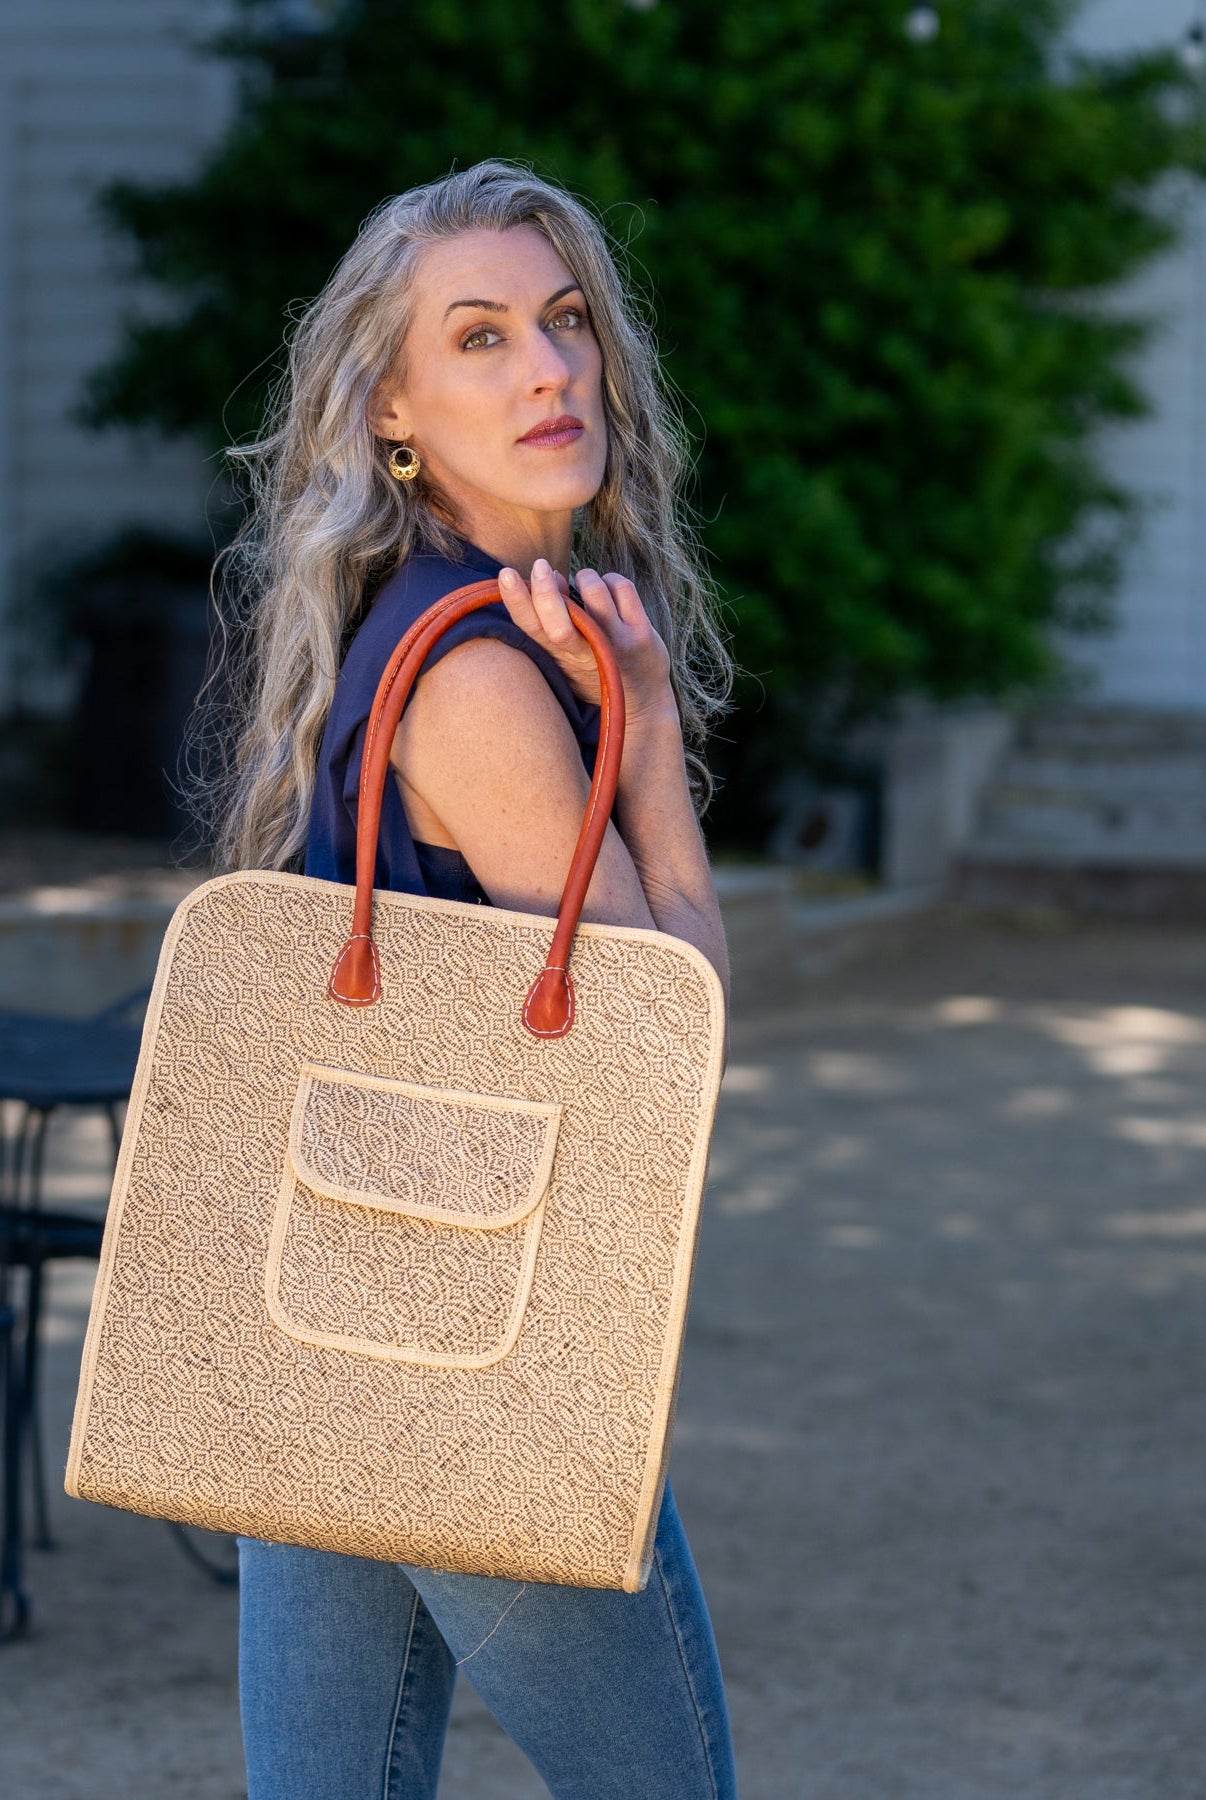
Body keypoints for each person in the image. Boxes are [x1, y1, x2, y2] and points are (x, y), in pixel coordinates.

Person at [203, 158, 737, 1800]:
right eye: (482, 337)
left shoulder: (426, 622)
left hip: (324, 1317)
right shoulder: (484, 680)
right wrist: (649, 733)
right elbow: (663, 1042)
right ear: (393, 411)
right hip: (465, 1343)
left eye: (564, 323)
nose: (548, 370)